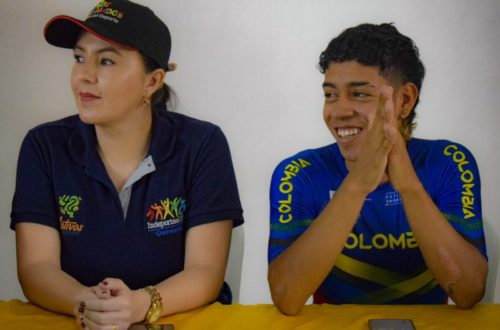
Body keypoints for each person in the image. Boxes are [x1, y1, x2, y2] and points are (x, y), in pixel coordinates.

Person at [10, 1, 243, 329]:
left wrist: (141, 304)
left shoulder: (202, 145)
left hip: (180, 320)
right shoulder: (44, 147)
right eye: (79, 58)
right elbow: (36, 267)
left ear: (152, 82)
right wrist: (86, 303)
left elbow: (205, 271)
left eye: (105, 61)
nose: (84, 76)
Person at [267, 23, 487, 315]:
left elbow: (468, 292)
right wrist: (356, 185)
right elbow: (287, 298)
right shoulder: (300, 173)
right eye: (330, 94)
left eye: (359, 94)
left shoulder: (448, 162)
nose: (339, 111)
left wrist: (408, 185)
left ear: (405, 100)